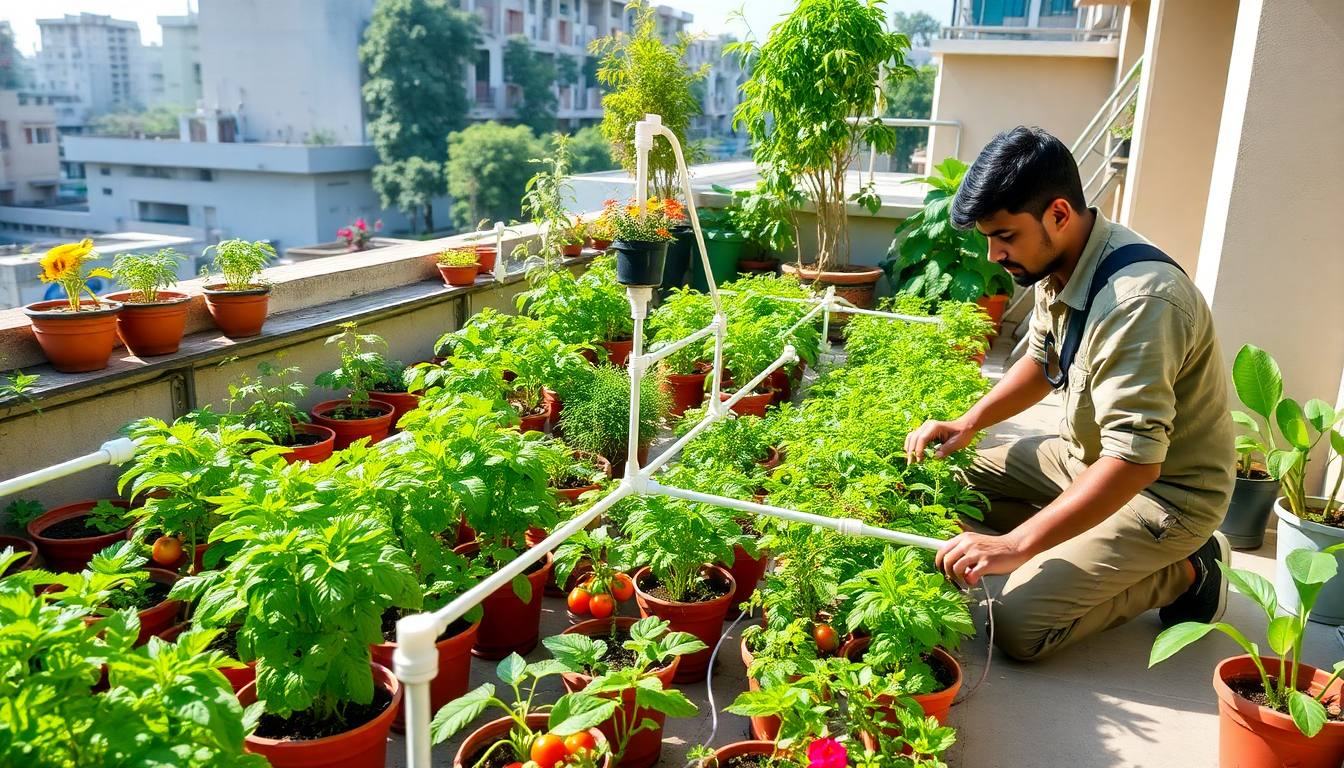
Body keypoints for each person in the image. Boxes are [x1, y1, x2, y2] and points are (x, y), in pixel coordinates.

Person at [904, 126, 1235, 662]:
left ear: (1058, 214)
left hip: (1162, 495)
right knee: (941, 476)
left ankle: (1189, 570)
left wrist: (1015, 546)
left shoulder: (1140, 302)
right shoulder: (1060, 262)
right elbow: (1042, 362)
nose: (993, 255)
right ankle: (1081, 532)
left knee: (1016, 626)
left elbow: (1135, 462)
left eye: (1005, 236)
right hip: (1082, 459)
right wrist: (967, 423)